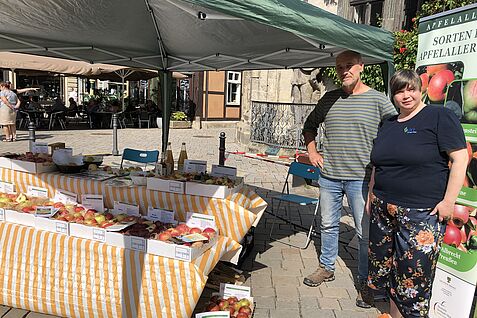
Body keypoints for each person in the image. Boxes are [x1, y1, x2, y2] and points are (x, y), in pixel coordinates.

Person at [367, 69, 467, 317]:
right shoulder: (388, 123)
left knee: (413, 275)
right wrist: (371, 194)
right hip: (383, 208)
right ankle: (392, 313)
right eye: (399, 91)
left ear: (420, 89)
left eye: (410, 88)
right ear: (393, 96)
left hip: (420, 213)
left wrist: (448, 202)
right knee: (387, 268)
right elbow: (378, 164)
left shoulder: (438, 116)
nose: (405, 95)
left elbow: (461, 157)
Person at [301, 50, 397, 308]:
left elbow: (394, 133)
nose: (345, 70)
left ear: (361, 67)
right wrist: (312, 151)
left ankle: (365, 282)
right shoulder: (329, 98)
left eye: (350, 65)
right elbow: (309, 125)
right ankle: (326, 267)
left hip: (362, 179)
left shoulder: (378, 101)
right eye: (340, 66)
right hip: (330, 176)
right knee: (329, 225)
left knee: (364, 233)